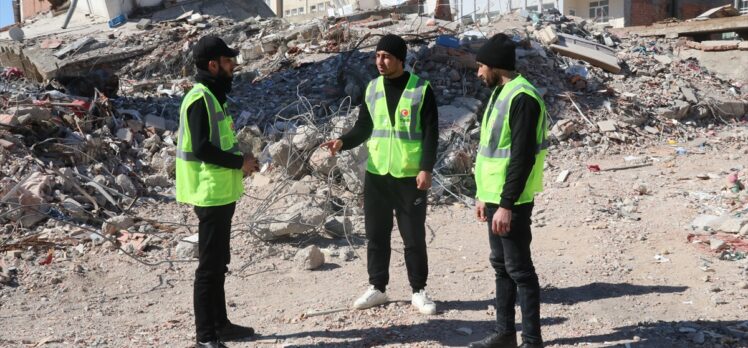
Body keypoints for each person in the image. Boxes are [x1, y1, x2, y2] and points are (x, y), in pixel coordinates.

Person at [320, 34, 439, 315]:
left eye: (386, 56)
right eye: (377, 56)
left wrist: (426, 168)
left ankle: (419, 291)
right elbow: (364, 127)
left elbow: (432, 133)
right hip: (377, 174)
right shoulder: (372, 88)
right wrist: (342, 141)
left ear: (400, 59)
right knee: (376, 235)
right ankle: (378, 287)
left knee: (413, 237)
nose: (380, 62)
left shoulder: (421, 89)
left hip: (409, 175)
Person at [176, 35, 258, 348]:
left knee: (219, 261)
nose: (233, 66)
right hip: (208, 192)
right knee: (208, 268)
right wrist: (240, 162)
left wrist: (241, 163)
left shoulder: (213, 95)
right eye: (227, 61)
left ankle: (220, 325)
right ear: (213, 65)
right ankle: (205, 338)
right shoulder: (200, 98)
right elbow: (202, 149)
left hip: (221, 191)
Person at [468, 33, 549, 348]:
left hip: (511, 201)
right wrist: (482, 196)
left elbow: (522, 158)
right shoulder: (500, 93)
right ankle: (505, 335)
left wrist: (505, 205)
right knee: (501, 266)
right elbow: (490, 152)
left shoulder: (522, 98)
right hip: (494, 198)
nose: (478, 73)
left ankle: (532, 341)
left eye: (481, 66)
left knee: (520, 271)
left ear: (495, 66)